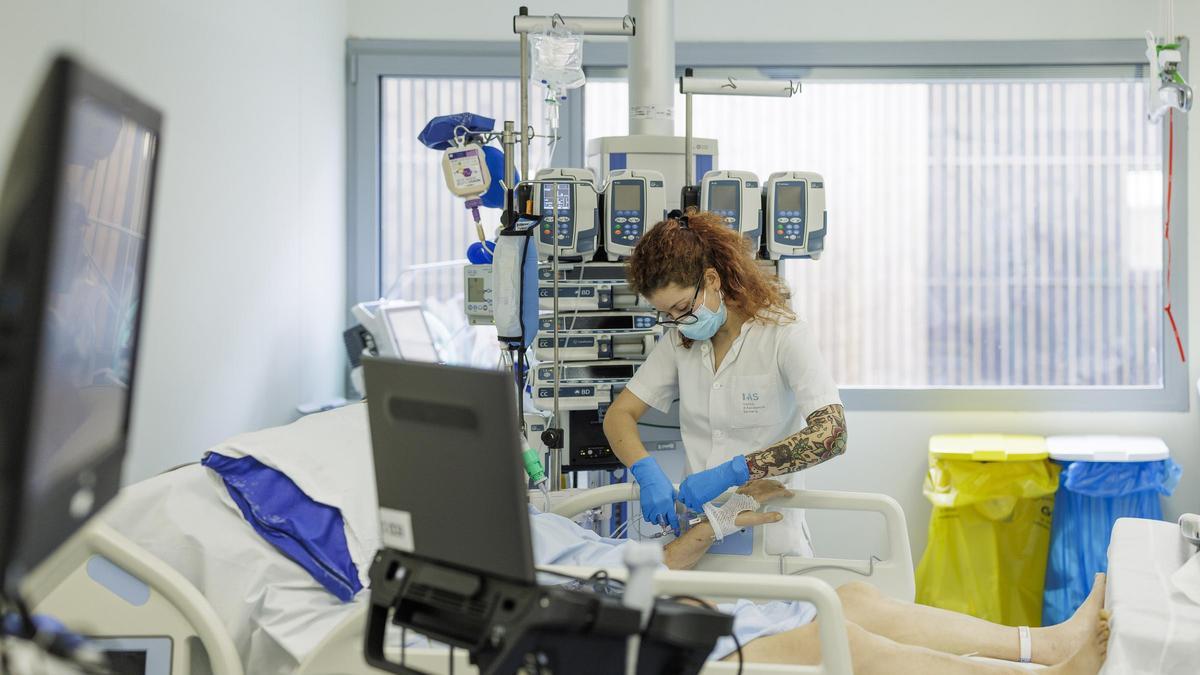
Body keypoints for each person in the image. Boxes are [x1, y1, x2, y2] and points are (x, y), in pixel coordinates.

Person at [531, 478, 1110, 674]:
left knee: (854, 597)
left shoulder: (527, 517)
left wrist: (717, 517)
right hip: (626, 629)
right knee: (836, 637)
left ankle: (1043, 643)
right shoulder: (503, 537)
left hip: (657, 601)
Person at [604, 209, 845, 556]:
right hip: (698, 534)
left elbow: (832, 434)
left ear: (713, 280)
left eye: (683, 307)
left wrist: (735, 471)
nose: (679, 321)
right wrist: (645, 470)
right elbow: (619, 415)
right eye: (668, 314)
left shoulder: (784, 335)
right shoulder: (680, 342)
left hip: (770, 538)